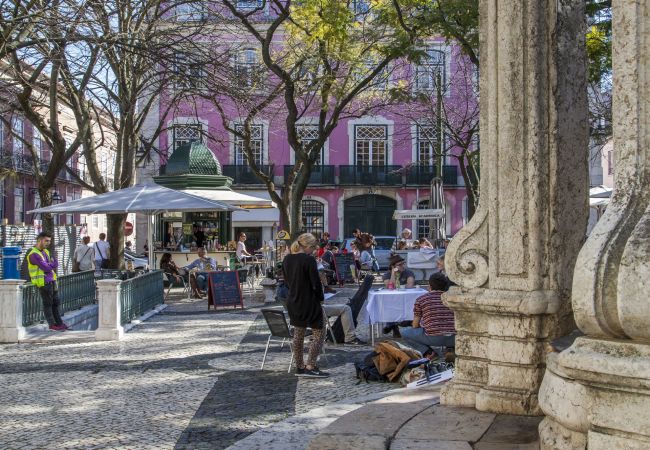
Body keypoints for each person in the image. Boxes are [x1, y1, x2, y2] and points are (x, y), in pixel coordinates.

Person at [283, 233, 329, 378]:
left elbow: (286, 281)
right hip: (309, 301)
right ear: (308, 246)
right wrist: (321, 298)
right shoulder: (308, 260)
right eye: (313, 247)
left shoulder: (287, 259)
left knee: (298, 333)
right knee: (319, 333)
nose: (315, 250)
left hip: (293, 300)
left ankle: (300, 367)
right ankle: (311, 365)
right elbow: (315, 283)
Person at [399, 272, 456, 357]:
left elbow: (415, 325)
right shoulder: (453, 299)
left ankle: (428, 353)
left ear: (429, 285)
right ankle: (451, 350)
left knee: (405, 333)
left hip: (433, 338)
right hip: (454, 338)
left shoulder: (421, 299)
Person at [27, 232, 67, 331]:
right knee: (48, 304)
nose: (48, 243)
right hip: (43, 283)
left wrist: (52, 264)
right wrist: (54, 264)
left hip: (52, 281)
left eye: (49, 241)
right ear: (40, 240)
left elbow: (49, 265)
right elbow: (45, 267)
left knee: (56, 303)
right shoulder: (34, 254)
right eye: (46, 240)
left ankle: (59, 323)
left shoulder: (45, 252)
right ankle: (52, 324)